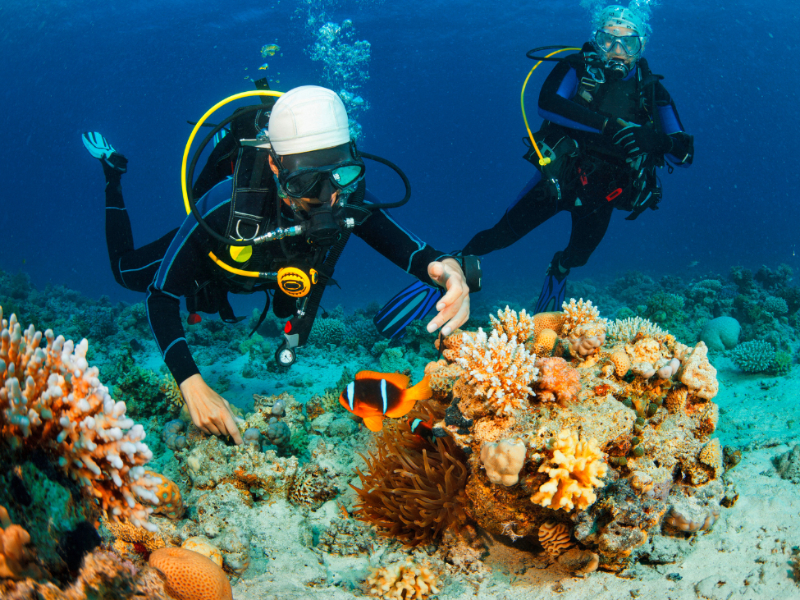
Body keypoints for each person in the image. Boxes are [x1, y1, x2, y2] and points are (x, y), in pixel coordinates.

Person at [83, 85, 476, 445]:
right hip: (215, 265)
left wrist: (450, 271)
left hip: (280, 275)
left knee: (295, 297)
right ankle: (112, 175)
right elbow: (161, 296)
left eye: (340, 174)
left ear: (353, 158)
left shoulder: (349, 199)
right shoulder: (223, 206)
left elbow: (418, 254)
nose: (326, 198)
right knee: (126, 273)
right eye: (305, 182)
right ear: (275, 166)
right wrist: (190, 382)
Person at [462, 5, 694, 313]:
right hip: (559, 179)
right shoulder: (577, 66)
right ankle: (451, 265)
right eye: (608, 40)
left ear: (642, 45)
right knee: (499, 236)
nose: (617, 51)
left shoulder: (653, 93)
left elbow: (685, 155)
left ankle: (558, 269)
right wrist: (607, 126)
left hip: (605, 195)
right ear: (596, 41)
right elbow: (546, 103)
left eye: (629, 43)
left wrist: (657, 140)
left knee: (579, 256)